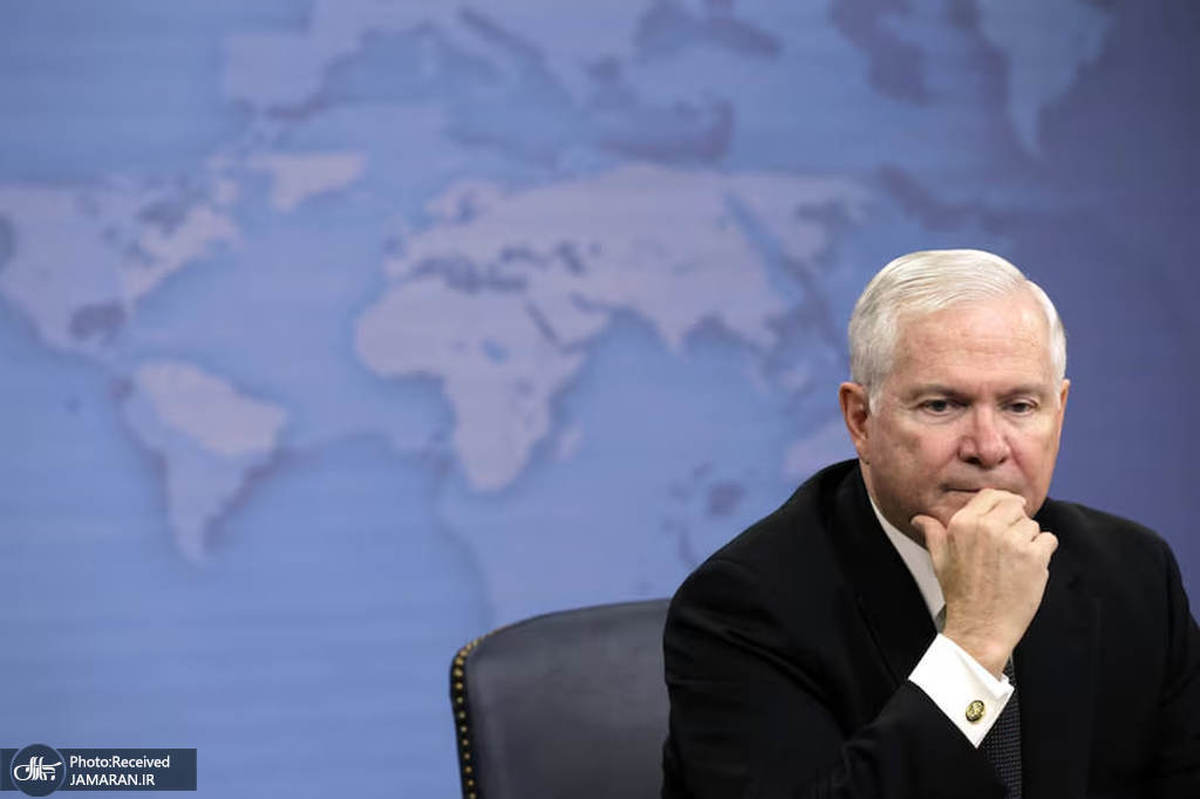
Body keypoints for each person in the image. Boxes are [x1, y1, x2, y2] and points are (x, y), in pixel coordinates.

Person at [661, 249, 1200, 798]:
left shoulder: (1133, 574)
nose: (988, 447)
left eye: (1019, 406)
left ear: (1058, 413)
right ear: (861, 420)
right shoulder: (743, 608)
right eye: (942, 405)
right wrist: (973, 648)